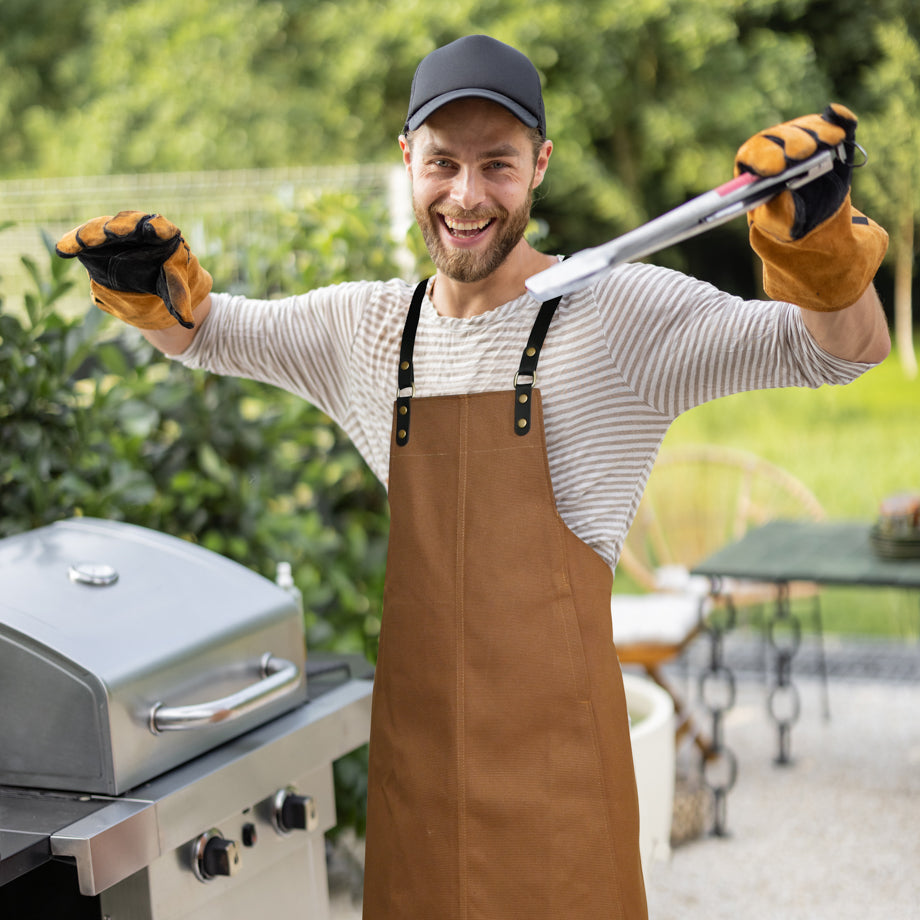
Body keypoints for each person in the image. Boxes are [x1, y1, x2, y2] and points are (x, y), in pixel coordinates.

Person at [57, 34, 889, 920]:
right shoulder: (368, 330)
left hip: (563, 790)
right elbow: (206, 333)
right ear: (408, 159)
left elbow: (840, 351)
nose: (466, 195)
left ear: (540, 165)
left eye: (498, 163)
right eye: (444, 163)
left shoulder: (621, 318)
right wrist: (152, 294)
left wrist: (819, 245)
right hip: (421, 788)